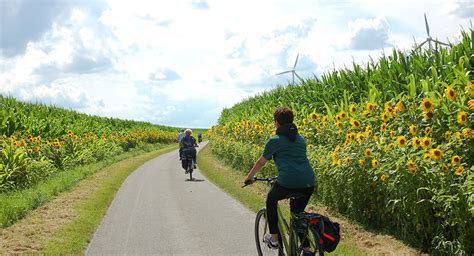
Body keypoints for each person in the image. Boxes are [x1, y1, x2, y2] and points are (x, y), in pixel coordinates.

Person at [244, 107, 315, 255]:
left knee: (271, 200)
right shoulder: (300, 139)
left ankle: (274, 238)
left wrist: (249, 177)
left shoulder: (274, 141)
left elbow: (261, 162)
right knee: (298, 213)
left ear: (276, 123)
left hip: (287, 181)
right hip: (308, 181)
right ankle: (307, 248)